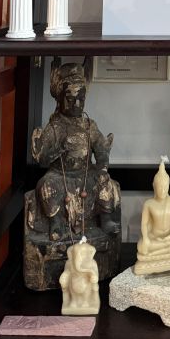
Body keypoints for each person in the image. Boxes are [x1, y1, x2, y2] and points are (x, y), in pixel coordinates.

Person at [31, 62, 120, 242]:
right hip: (60, 175)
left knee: (106, 183)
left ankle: (106, 219)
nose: (77, 104)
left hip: (86, 173)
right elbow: (43, 160)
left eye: (81, 98)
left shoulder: (89, 125)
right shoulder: (54, 127)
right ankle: (56, 223)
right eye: (70, 99)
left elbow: (101, 150)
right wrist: (61, 148)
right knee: (46, 186)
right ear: (60, 99)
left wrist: (102, 168)